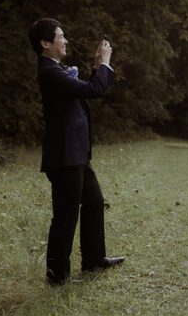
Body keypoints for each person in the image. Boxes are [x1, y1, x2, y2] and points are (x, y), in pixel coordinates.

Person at [29, 18, 125, 285]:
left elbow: (85, 90)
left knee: (93, 202)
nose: (65, 40)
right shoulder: (49, 72)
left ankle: (94, 260)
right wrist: (105, 62)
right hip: (64, 156)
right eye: (60, 36)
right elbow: (94, 90)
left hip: (76, 154)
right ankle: (56, 276)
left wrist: (97, 67)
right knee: (65, 215)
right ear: (45, 43)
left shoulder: (57, 69)